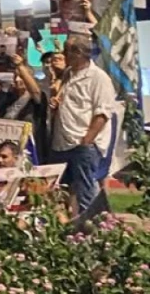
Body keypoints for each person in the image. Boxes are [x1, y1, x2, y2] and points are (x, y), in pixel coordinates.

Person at [48, 35, 116, 214]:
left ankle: (92, 232)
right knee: (60, 191)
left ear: (78, 53)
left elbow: (102, 112)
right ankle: (64, 229)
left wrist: (87, 139)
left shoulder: (98, 78)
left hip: (82, 144)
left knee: (85, 192)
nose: (64, 55)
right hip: (61, 143)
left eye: (66, 51)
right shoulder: (68, 75)